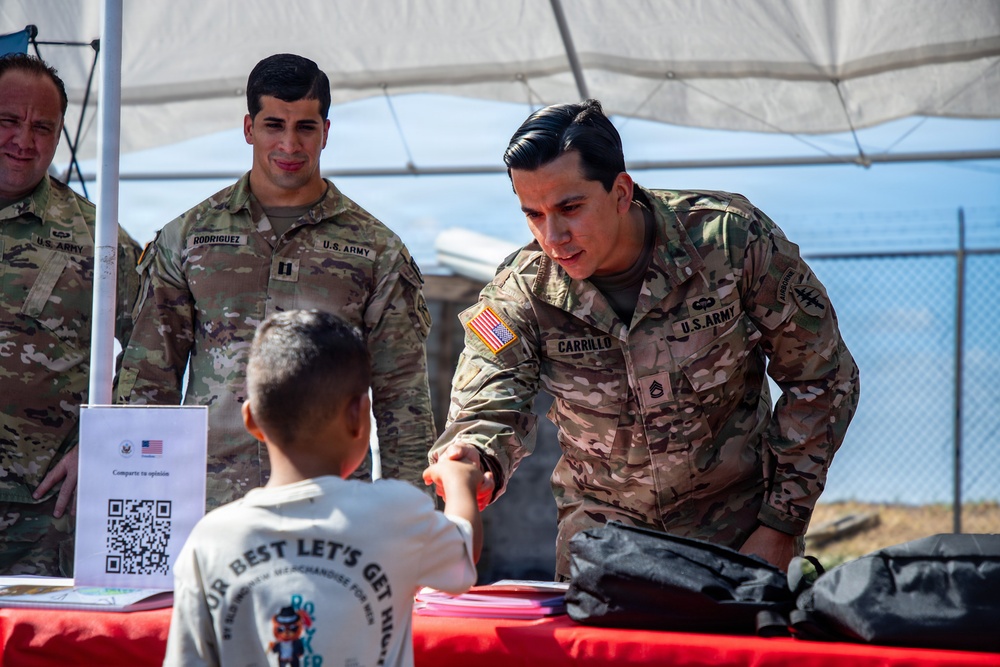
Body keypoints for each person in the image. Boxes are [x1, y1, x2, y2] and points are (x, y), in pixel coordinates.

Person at [431, 99, 861, 578]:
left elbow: (822, 376)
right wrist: (469, 459)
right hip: (604, 547)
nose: (553, 236)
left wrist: (780, 524)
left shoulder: (730, 242)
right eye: (533, 214)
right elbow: (487, 405)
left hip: (739, 538)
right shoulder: (521, 293)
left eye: (570, 208)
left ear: (620, 191)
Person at [115, 53, 435, 509]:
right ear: (249, 128)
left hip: (330, 507)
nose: (290, 144)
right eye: (273, 125)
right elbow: (147, 382)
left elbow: (401, 395)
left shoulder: (376, 248)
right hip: (207, 502)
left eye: (305, 127)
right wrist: (132, 499)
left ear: (326, 131)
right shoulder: (188, 237)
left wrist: (413, 516)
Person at [163, 309, 482, 667]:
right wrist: (459, 482)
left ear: (250, 419)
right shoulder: (396, 514)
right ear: (359, 415)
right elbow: (462, 556)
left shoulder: (211, 537)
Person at [0, 53, 141, 576]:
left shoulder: (96, 240)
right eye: (9, 121)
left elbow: (157, 347)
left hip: (43, 521)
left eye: (43, 127)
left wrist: (103, 442)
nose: (24, 141)